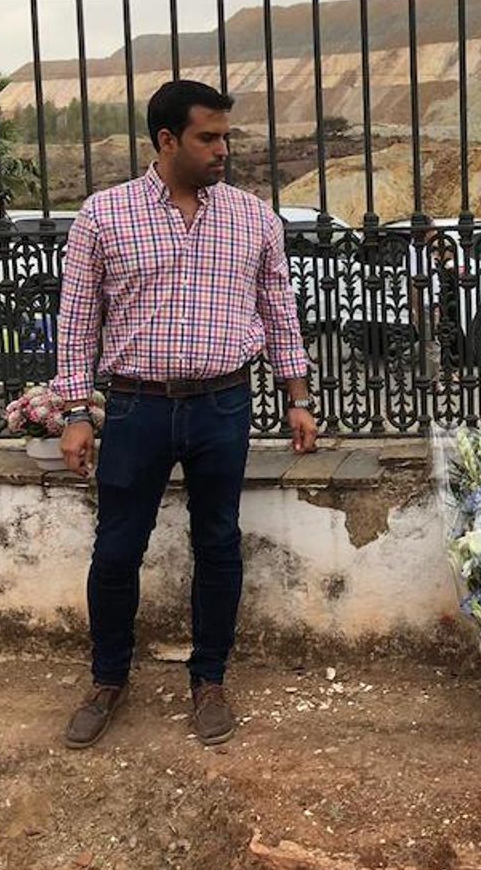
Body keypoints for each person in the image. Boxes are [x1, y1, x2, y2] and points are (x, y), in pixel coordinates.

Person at [52, 80, 319, 749]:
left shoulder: (254, 218)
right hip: (137, 408)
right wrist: (76, 413)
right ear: (167, 140)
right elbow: (77, 325)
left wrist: (298, 398)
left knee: (219, 543)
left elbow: (279, 311)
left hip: (223, 404)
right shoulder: (104, 216)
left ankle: (210, 680)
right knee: (117, 549)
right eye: (208, 137)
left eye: (227, 135)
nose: (223, 148)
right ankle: (108, 678)